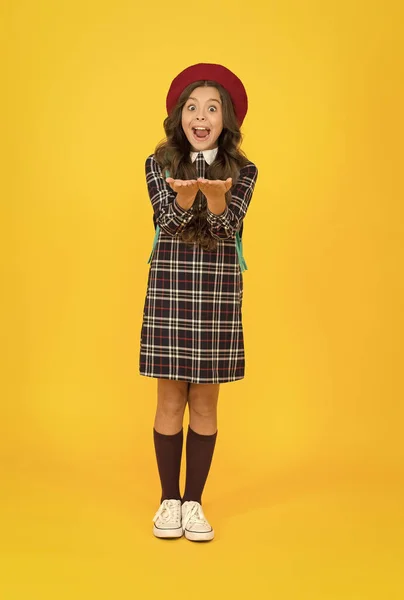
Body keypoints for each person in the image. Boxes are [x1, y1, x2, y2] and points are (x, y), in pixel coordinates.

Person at [139, 63, 258, 542]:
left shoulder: (243, 171)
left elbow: (228, 229)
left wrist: (214, 200)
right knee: (170, 398)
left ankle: (194, 504)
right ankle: (168, 501)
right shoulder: (159, 164)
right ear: (179, 115)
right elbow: (166, 222)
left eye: (212, 108)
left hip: (217, 295)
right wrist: (187, 197)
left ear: (226, 118)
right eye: (192, 107)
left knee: (205, 402)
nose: (201, 116)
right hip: (169, 290)